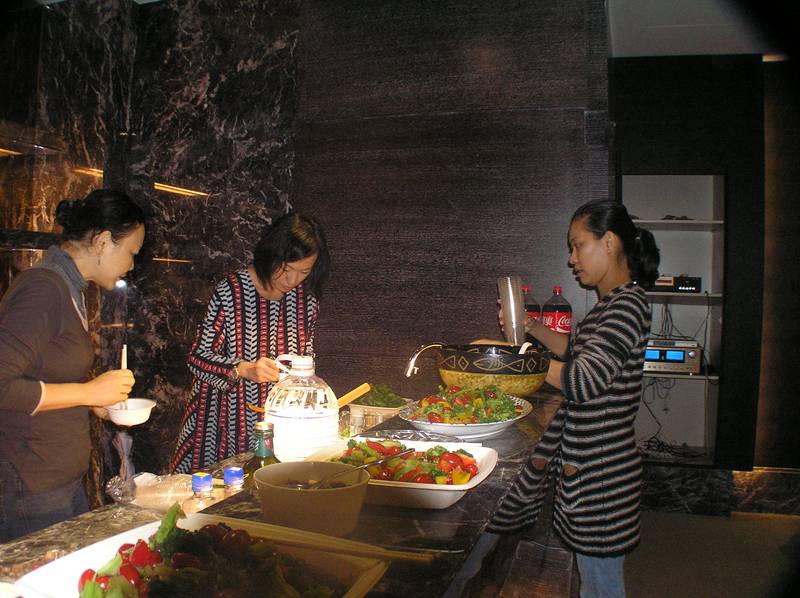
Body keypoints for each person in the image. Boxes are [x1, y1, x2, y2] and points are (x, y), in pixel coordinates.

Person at [487, 199, 660, 598]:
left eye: (578, 245)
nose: (572, 259)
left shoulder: (625, 306)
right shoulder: (612, 304)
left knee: (601, 583)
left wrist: (513, 361)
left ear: (609, 242)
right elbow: (574, 351)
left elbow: (583, 380)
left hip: (601, 476)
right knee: (595, 573)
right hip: (598, 468)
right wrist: (531, 327)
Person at [0, 189, 146, 542]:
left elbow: (44, 371)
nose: (132, 265)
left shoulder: (70, 287)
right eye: (131, 252)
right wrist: (87, 392)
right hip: (31, 482)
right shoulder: (43, 288)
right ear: (103, 241)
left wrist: (93, 399)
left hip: (56, 477)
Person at [170, 213, 330, 474]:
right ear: (271, 255)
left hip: (279, 423)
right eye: (286, 269)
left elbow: (306, 356)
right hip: (220, 421)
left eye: (304, 272)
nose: (292, 281)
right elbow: (197, 356)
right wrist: (243, 368)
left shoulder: (305, 301)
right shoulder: (232, 291)